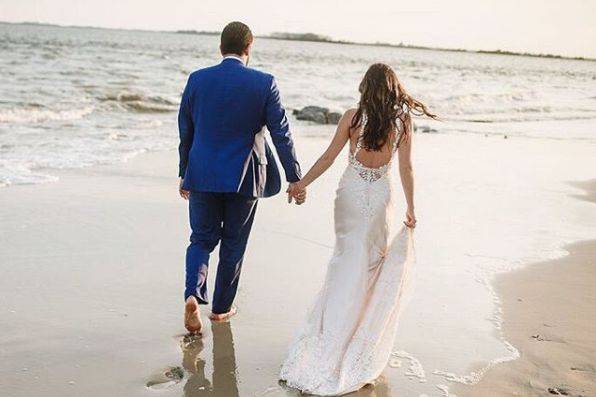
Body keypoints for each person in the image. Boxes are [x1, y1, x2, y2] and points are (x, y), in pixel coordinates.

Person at [280, 63, 436, 395]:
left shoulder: (352, 117)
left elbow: (328, 157)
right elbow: (406, 168)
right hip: (380, 196)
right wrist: (411, 207)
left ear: (365, 86)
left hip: (349, 193)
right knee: (368, 266)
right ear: (394, 89)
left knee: (344, 261)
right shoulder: (402, 122)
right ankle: (354, 337)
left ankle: (331, 334)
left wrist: (300, 184)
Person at [177, 21, 305, 333]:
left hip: (203, 174)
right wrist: (294, 176)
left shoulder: (197, 79)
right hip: (245, 177)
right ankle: (220, 310)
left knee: (201, 238)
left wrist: (184, 172)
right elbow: (281, 134)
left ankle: (193, 294)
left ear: (221, 47)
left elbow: (186, 131)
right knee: (233, 243)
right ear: (249, 48)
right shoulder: (264, 83)